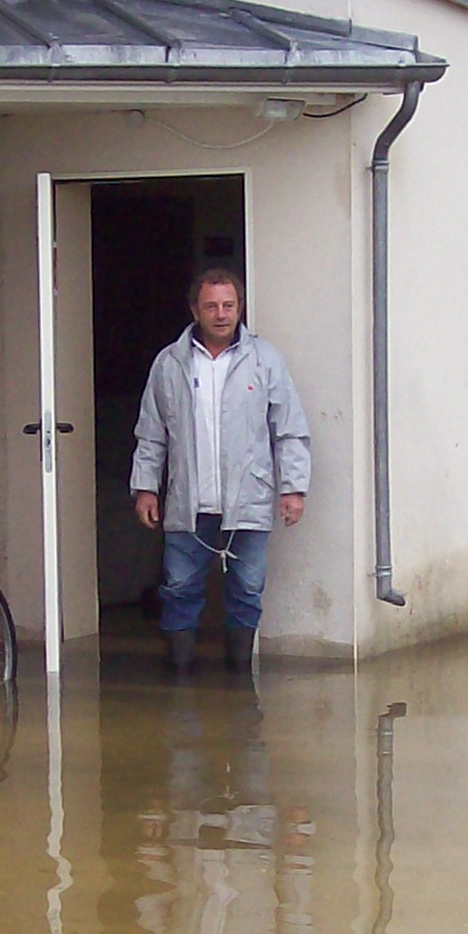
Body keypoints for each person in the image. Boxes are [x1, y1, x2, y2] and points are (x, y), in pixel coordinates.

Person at [130, 266, 309, 676]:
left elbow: (290, 429)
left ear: (240, 307)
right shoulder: (170, 363)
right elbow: (151, 432)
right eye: (211, 306)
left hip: (250, 498)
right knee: (178, 589)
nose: (221, 314)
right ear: (195, 309)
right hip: (188, 501)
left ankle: (239, 680)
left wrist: (293, 488)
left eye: (229, 305)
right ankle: (179, 674)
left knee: (246, 590)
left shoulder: (264, 360)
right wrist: (145, 488)